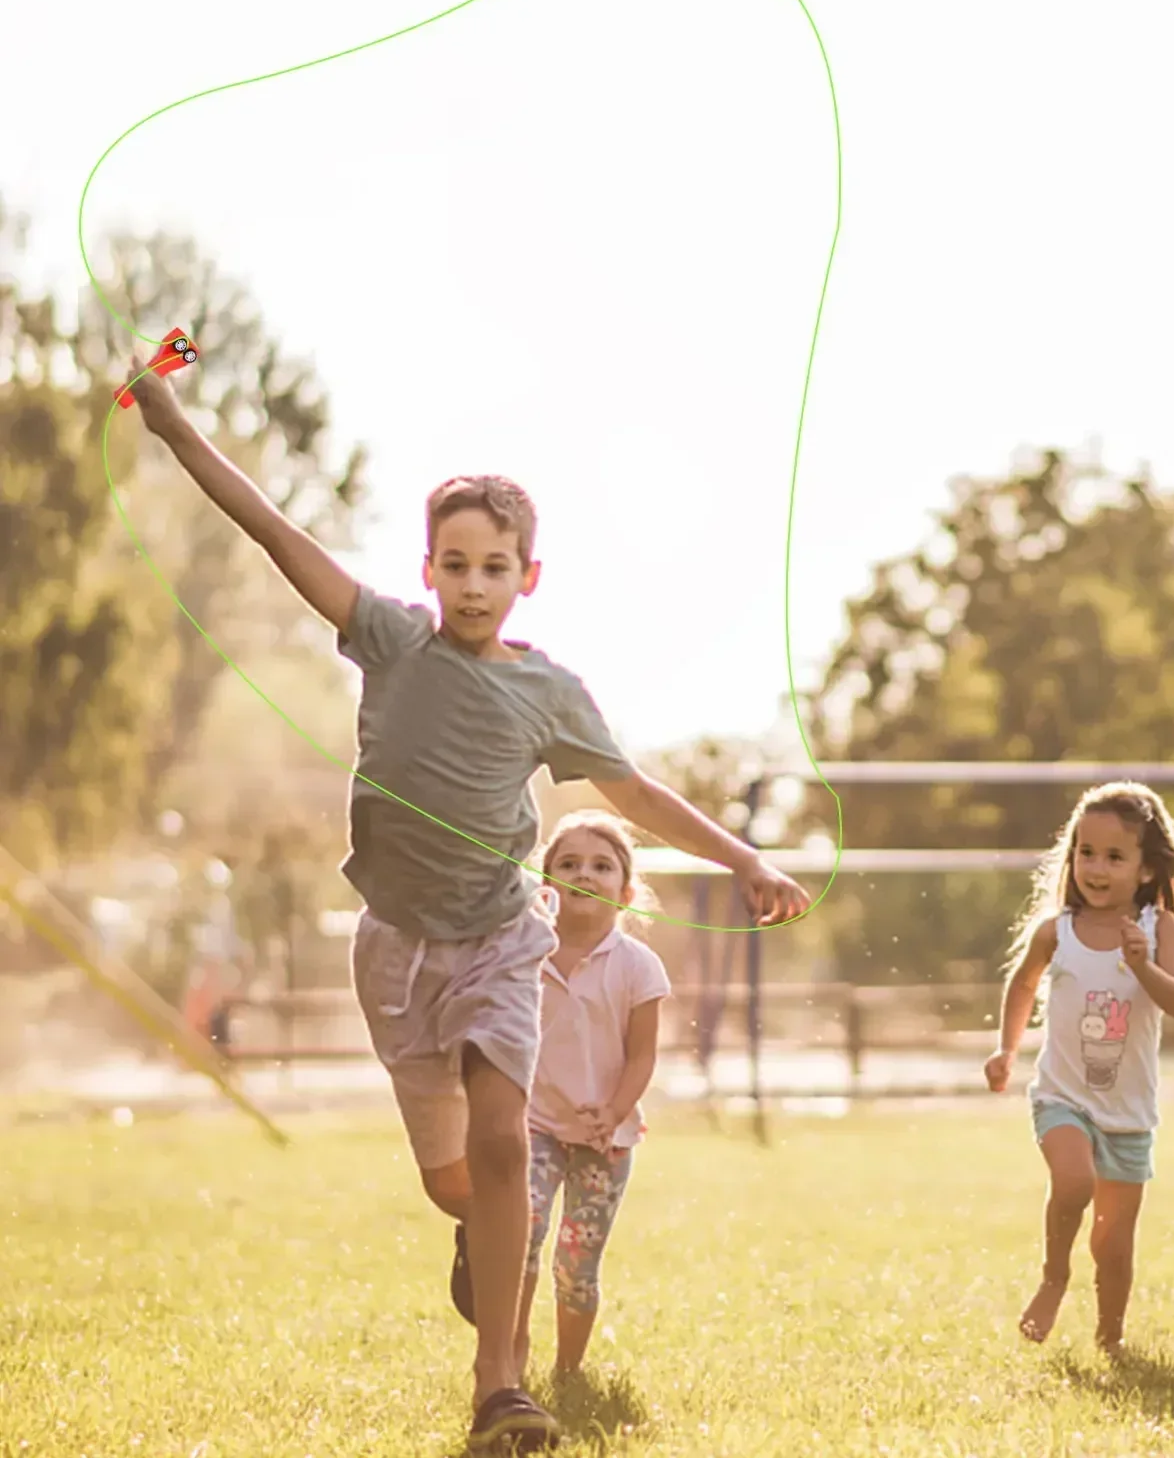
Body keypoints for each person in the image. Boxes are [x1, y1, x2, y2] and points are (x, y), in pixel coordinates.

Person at [124, 350, 810, 1454]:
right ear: (430, 569)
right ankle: (476, 1243)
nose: (476, 582)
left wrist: (743, 859)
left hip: (500, 941)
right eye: (457, 563)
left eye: (497, 565)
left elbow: (633, 789)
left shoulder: (549, 691)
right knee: (459, 1185)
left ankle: (501, 1384)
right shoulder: (391, 639)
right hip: (395, 953)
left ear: (528, 574)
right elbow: (275, 533)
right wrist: (172, 426)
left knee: (503, 1147)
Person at [983, 781, 1174, 1356]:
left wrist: (1142, 966)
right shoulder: (1056, 932)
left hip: (1128, 1114)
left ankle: (1111, 1338)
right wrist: (1007, 1049)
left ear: (1143, 868)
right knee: (1074, 1180)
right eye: (1086, 852)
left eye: (1115, 856)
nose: (1097, 867)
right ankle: (1053, 1277)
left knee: (1113, 1246)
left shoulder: (1158, 930)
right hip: (1061, 1096)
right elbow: (1023, 983)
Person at [450, 811, 670, 1382]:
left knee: (577, 1266)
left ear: (625, 891)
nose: (585, 874)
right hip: (536, 1126)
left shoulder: (637, 966)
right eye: (568, 864)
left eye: (601, 866)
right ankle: (509, 1355)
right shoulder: (526, 954)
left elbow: (642, 1054)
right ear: (544, 887)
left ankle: (567, 1371)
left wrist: (614, 1111)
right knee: (521, 1234)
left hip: (606, 1140)